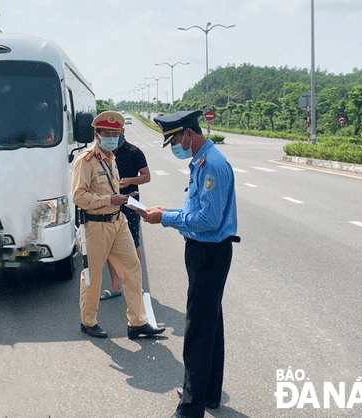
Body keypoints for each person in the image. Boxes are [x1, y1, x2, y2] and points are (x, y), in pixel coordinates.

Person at [139, 110, 238, 417]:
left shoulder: (212, 166)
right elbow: (196, 208)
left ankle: (190, 409)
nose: (176, 148)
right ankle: (208, 393)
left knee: (197, 330)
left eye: (176, 141)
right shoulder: (201, 161)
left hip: (209, 253)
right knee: (210, 325)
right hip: (205, 251)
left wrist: (165, 218)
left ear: (189, 134)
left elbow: (207, 220)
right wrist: (166, 209)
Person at [71, 110, 165, 340]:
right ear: (97, 134)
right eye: (108, 133)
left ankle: (138, 323)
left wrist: (122, 198)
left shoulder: (111, 158)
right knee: (92, 276)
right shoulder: (85, 161)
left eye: (117, 133)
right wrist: (108, 200)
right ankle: (88, 321)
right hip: (96, 225)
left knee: (132, 268)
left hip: (118, 221)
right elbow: (78, 196)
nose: (113, 136)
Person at [101, 133, 150, 301]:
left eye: (114, 133)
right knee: (111, 245)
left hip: (129, 204)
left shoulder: (134, 152)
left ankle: (136, 285)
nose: (110, 137)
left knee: (133, 242)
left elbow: (146, 176)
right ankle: (115, 286)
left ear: (121, 131)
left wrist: (130, 181)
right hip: (108, 204)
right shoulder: (103, 152)